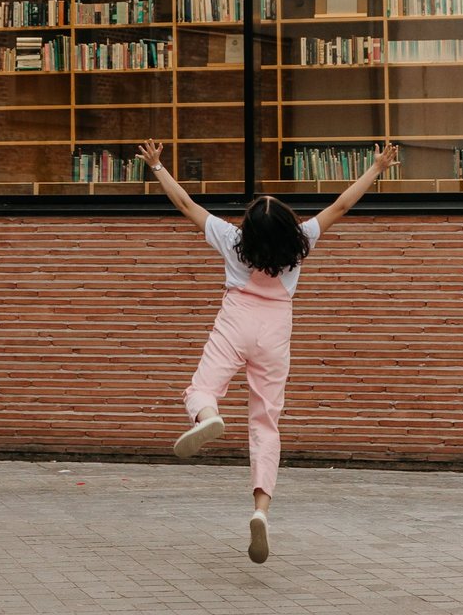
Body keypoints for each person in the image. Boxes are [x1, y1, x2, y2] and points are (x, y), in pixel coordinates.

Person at [137, 138, 400, 564]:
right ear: (286, 227)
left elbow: (186, 204)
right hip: (275, 332)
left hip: (236, 321)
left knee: (202, 389)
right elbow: (342, 206)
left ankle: (208, 416)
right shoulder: (302, 241)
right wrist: (376, 168)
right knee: (265, 422)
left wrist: (157, 167)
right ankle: (260, 510)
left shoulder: (231, 239)